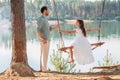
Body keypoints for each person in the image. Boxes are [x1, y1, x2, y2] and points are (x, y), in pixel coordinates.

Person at [37, 6, 60, 72]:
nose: (49, 11)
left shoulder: (45, 19)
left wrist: (57, 26)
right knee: (44, 55)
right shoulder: (40, 19)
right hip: (44, 40)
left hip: (47, 39)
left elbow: (50, 29)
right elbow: (38, 30)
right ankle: (44, 69)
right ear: (45, 11)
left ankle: (43, 68)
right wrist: (42, 39)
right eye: (48, 10)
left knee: (45, 54)